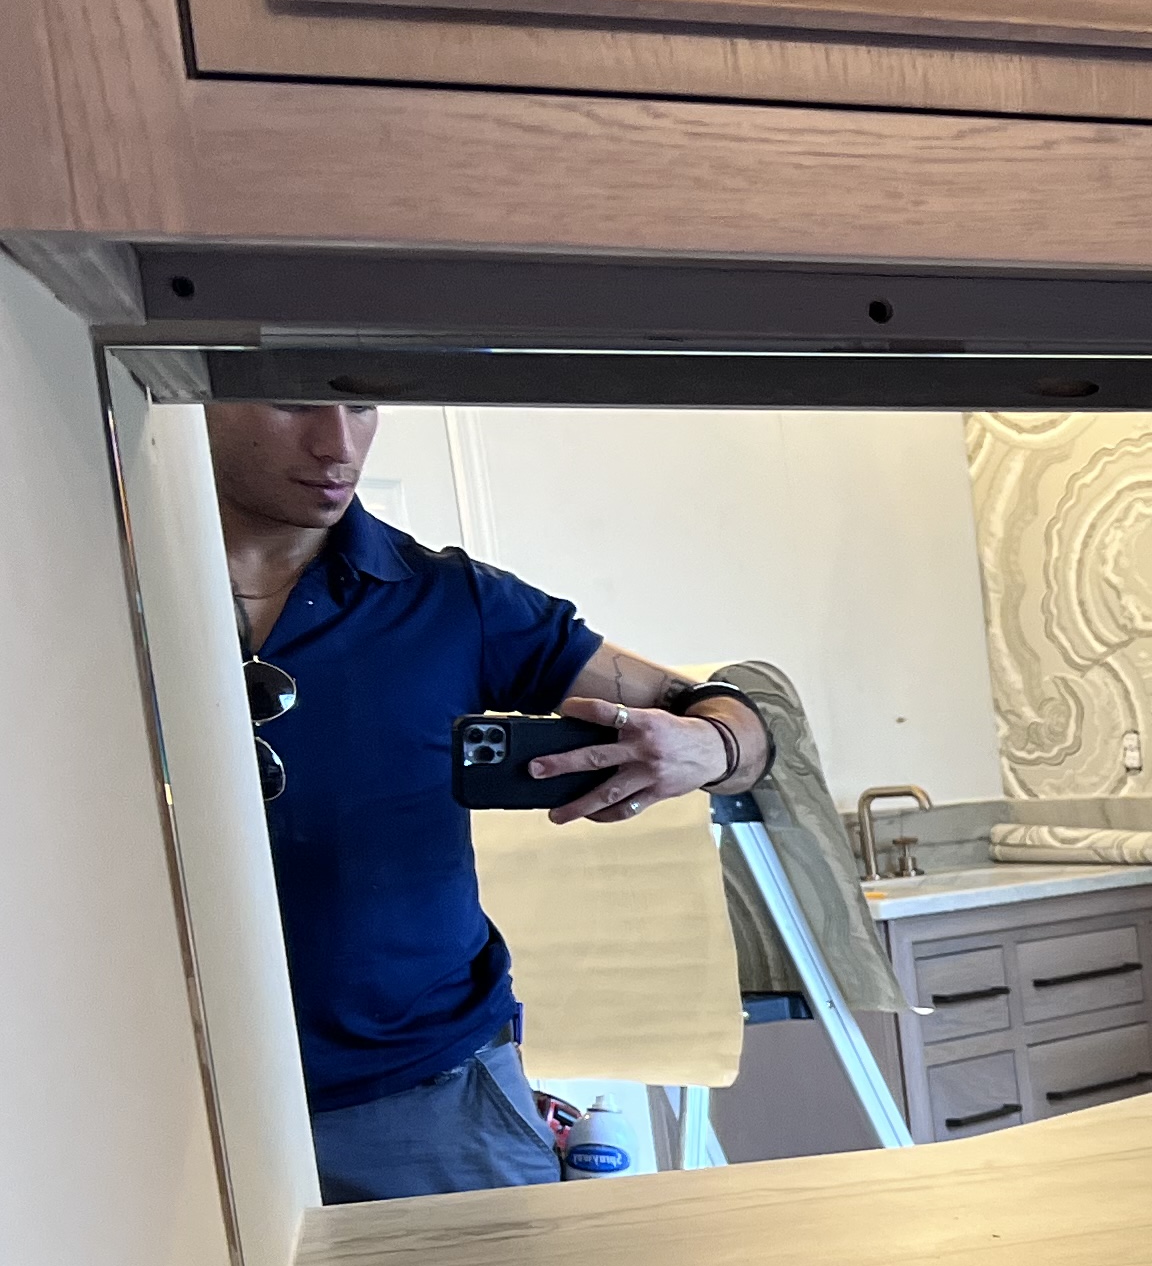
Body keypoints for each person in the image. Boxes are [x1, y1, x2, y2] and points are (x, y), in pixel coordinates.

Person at [210, 402, 772, 1200]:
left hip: (429, 1102)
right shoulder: (94, 589)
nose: (338, 445)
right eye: (295, 402)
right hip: (163, 1107)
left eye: (361, 406)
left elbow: (739, 724)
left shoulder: (454, 602)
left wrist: (707, 745)